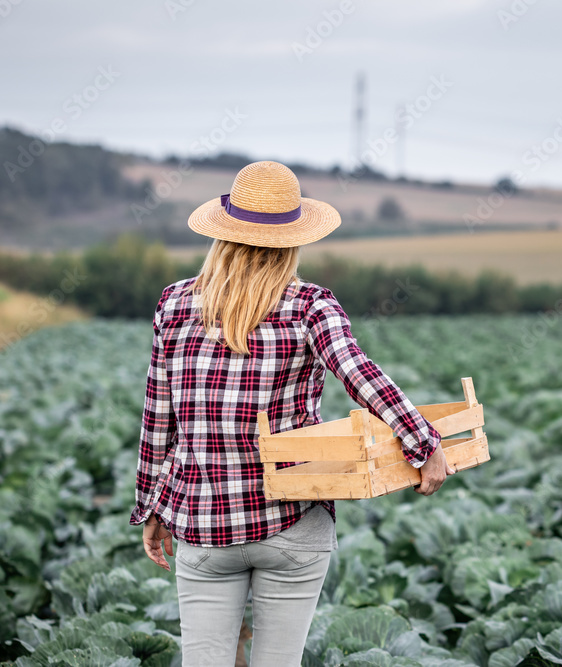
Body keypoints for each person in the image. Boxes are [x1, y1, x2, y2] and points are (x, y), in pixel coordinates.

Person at [127, 161, 454, 666]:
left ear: (223, 233)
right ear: (293, 240)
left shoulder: (173, 304)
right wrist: (424, 443)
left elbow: (157, 420)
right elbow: (357, 372)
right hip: (290, 521)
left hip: (202, 523)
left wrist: (151, 506)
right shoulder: (310, 305)